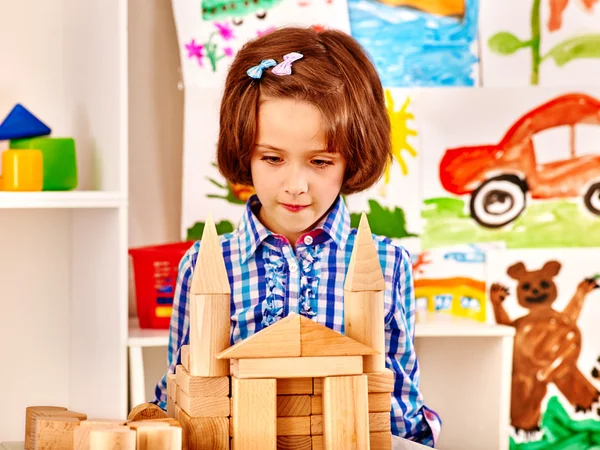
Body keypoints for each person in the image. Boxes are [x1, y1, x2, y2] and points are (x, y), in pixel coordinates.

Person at [152, 25, 441, 447]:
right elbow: (182, 396)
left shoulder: (386, 264)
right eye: (272, 158)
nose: (295, 185)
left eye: (320, 161)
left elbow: (396, 400)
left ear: (351, 159)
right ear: (244, 150)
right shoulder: (205, 265)